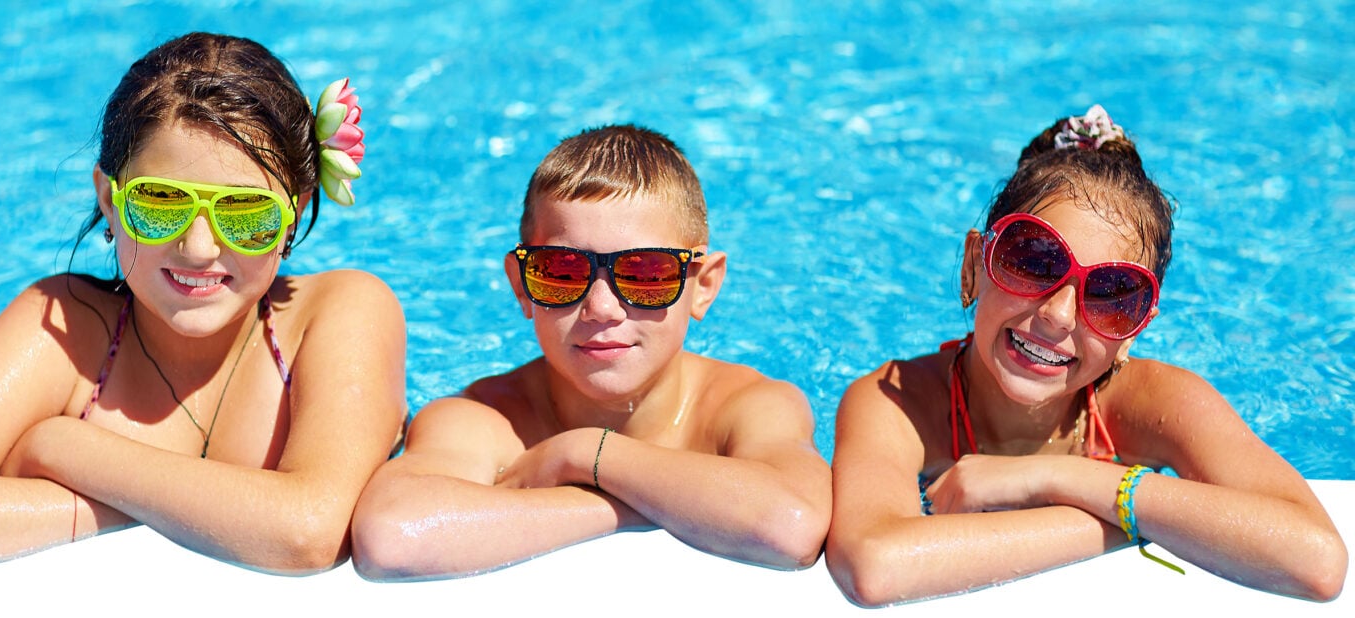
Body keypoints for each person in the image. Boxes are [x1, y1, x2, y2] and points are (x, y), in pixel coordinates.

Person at [0, 32, 406, 575]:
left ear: (293, 211)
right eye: (161, 203)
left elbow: (307, 534)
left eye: (244, 212)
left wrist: (63, 448)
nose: (199, 247)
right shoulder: (63, 326)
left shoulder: (338, 313)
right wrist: (175, 508)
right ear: (109, 203)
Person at [825, 105, 1347, 605]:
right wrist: (1140, 522)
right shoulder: (898, 404)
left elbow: (1317, 562)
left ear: (1136, 331)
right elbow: (874, 566)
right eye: (1032, 259)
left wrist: (1057, 479)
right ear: (974, 265)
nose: (1058, 315)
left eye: (1113, 294)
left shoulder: (1156, 402)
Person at [350, 124, 831, 579]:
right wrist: (624, 503)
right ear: (521, 286)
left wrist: (586, 454)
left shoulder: (744, 406)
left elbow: (791, 524)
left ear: (703, 286)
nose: (601, 308)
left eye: (645, 273)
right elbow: (391, 536)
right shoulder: (487, 418)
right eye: (561, 271)